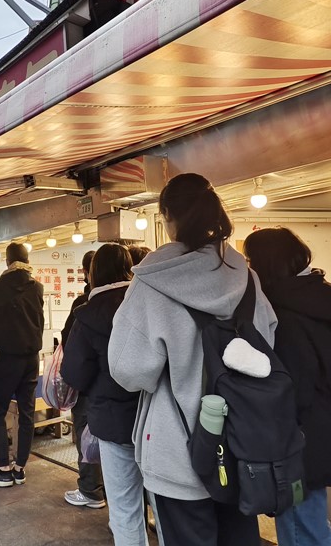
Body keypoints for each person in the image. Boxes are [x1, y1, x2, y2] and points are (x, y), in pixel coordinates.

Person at [109, 173, 278, 546]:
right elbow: (266, 344)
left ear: (167, 216)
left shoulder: (153, 281)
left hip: (178, 450)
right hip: (243, 441)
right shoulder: (247, 277)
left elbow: (129, 370)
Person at [243, 228, 331, 546]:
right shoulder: (321, 298)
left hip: (299, 436)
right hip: (326, 424)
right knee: (310, 521)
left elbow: (295, 386)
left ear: (265, 264)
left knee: (302, 528)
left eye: (250, 259)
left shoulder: (284, 315)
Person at [62, 244, 143, 541]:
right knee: (161, 504)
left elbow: (74, 375)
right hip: (154, 418)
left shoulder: (87, 314)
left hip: (112, 420)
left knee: (124, 507)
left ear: (93, 272)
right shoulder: (146, 303)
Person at [0, 242, 45, 488]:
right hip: (31, 359)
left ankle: (4, 469)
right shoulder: (37, 286)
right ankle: (20, 469)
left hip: (7, 358)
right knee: (27, 413)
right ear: (27, 261)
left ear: (7, 262)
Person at [59, 248, 105, 509]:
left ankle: (90, 490)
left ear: (89, 272)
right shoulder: (128, 300)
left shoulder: (84, 305)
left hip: (90, 387)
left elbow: (70, 342)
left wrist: (72, 380)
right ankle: (109, 488)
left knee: (87, 438)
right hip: (120, 388)